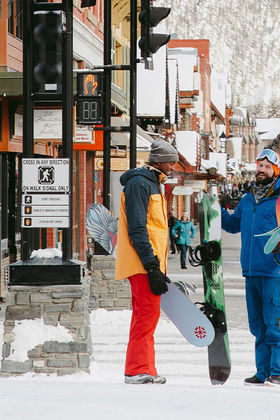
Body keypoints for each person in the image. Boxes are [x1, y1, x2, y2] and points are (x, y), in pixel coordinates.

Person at [220, 148, 280, 386]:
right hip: (251, 271)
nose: (261, 170)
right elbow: (232, 225)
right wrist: (214, 209)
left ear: (276, 171)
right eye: (259, 165)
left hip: (274, 271)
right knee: (258, 326)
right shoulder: (248, 198)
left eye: (267, 166)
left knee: (276, 323)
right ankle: (263, 372)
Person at [116, 145, 177, 384]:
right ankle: (137, 368)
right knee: (145, 315)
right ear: (159, 161)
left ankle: (146, 367)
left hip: (151, 263)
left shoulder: (153, 184)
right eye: (170, 162)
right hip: (142, 262)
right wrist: (152, 265)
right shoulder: (140, 184)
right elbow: (138, 228)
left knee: (148, 316)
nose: (172, 166)